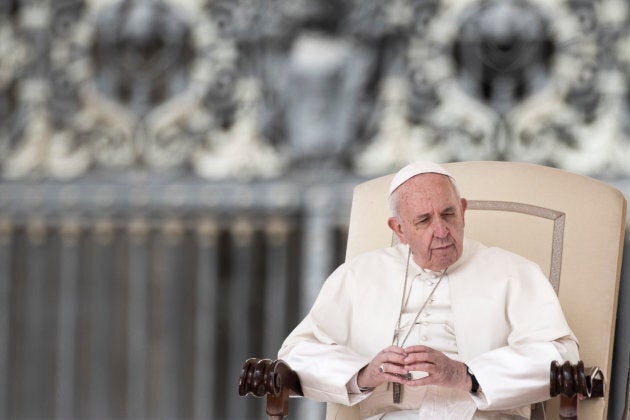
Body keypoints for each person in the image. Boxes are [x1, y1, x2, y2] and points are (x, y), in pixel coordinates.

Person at [278, 161, 579, 419]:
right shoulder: (358, 275)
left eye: (448, 214)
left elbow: (562, 356)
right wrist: (363, 374)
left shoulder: (513, 271)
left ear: (463, 211)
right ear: (398, 229)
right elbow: (297, 355)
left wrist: (467, 375)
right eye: (423, 220)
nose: (441, 230)